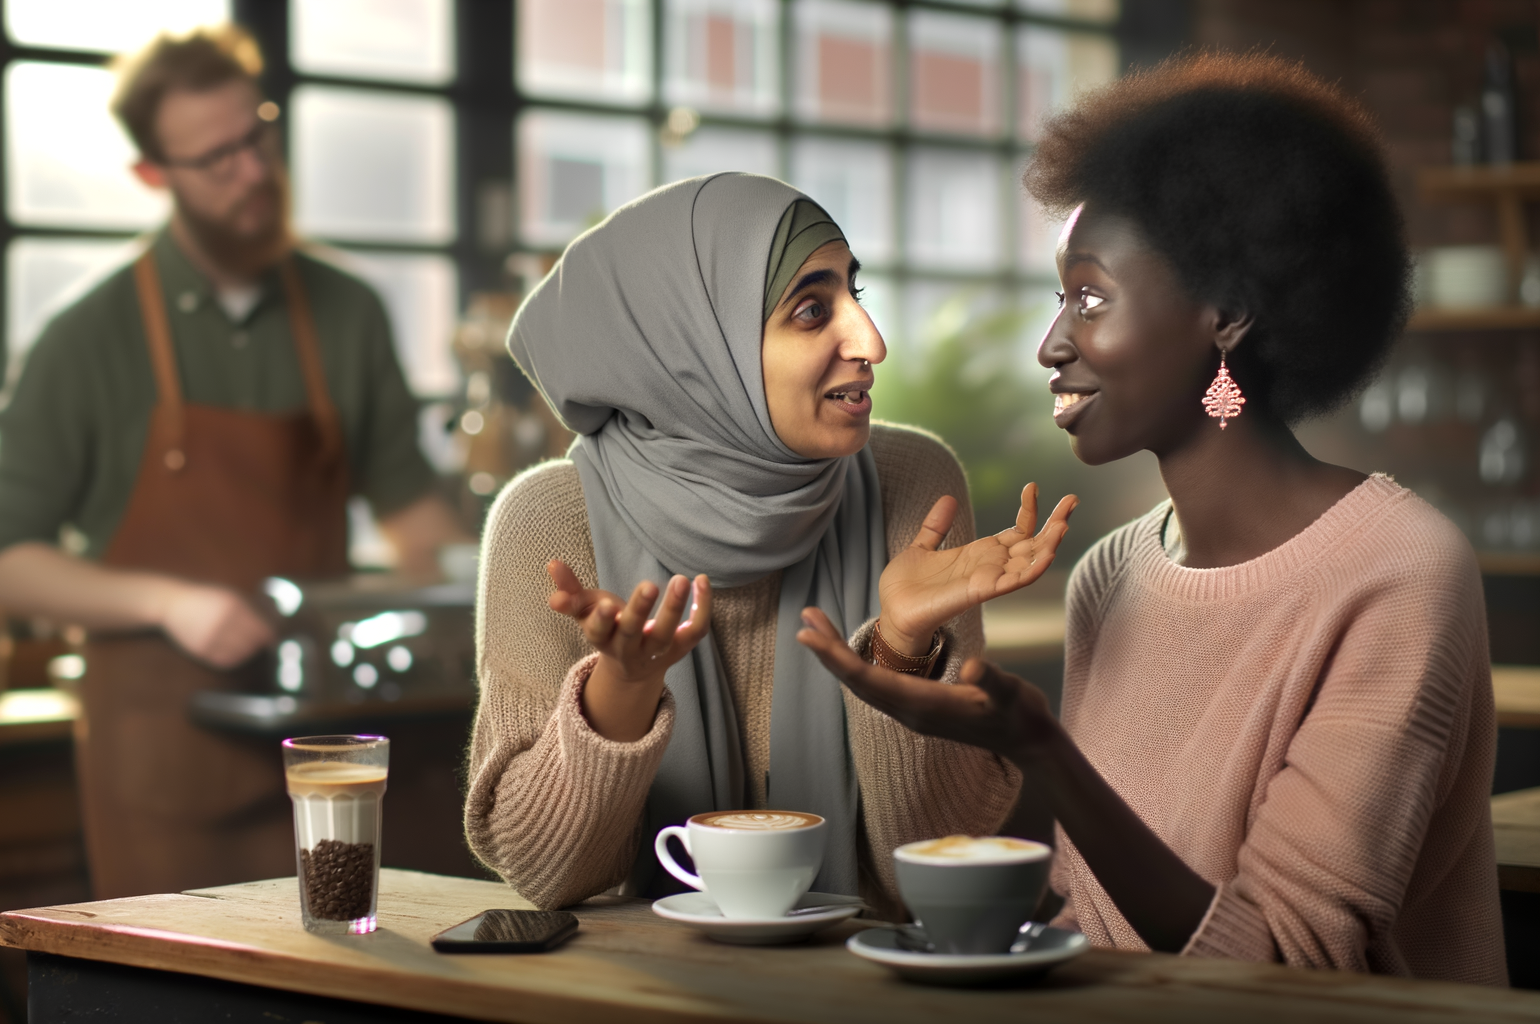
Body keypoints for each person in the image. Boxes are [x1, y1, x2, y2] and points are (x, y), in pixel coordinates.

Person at [796, 53, 1506, 984]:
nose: (1052, 345)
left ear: (1229, 314)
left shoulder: (1400, 572)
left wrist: (1044, 752)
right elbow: (1075, 905)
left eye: (1089, 296)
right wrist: (902, 650)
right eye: (1059, 298)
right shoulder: (1113, 576)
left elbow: (1285, 966)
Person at [464, 172, 1075, 915]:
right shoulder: (551, 521)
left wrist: (901, 647)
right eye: (813, 311)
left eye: (857, 294)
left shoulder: (910, 483)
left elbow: (938, 851)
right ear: (693, 346)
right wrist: (621, 692)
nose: (871, 341)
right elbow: (542, 872)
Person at [0, 25, 465, 899]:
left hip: (328, 750)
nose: (253, 171)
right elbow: (6, 563)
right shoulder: (86, 339)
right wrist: (168, 602)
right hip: (167, 760)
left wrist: (483, 603)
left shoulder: (347, 311)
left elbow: (415, 522)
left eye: (258, 135)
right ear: (153, 176)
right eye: (216, 158)